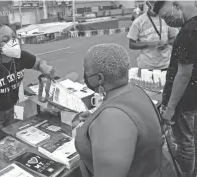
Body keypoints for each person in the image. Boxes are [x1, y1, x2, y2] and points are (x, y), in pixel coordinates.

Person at [75, 43, 163, 177]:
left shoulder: (112, 120)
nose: (85, 74)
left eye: (86, 69)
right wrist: (94, 120)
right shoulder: (135, 90)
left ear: (99, 78)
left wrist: (103, 123)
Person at [155, 1, 197, 176]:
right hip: (192, 95)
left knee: (184, 142)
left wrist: (170, 107)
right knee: (191, 136)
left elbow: (183, 74)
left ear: (176, 5)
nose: (167, 22)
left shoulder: (187, 32)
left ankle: (185, 174)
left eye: (166, 16)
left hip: (184, 98)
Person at [127, 0, 178, 71]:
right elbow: (131, 44)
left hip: (166, 64)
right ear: (148, 4)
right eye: (153, 2)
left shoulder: (167, 19)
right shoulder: (138, 21)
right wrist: (148, 44)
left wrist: (166, 43)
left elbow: (175, 38)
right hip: (146, 66)